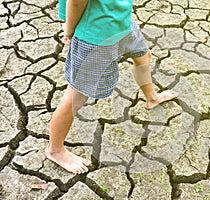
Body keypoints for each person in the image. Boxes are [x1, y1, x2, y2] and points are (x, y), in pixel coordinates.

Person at [45, 0, 178, 174]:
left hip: (122, 21)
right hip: (95, 34)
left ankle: (151, 98)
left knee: (143, 57)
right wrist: (70, 29)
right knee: (76, 95)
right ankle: (55, 150)